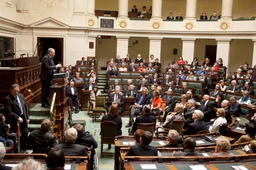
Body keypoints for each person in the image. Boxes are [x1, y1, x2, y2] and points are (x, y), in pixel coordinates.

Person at [4, 84, 29, 153]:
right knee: (15, 136)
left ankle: (23, 149)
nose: (16, 93)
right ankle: (17, 150)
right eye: (15, 91)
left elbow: (25, 107)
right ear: (11, 90)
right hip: (14, 120)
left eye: (18, 91)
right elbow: (9, 112)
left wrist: (27, 117)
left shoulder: (21, 96)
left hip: (23, 118)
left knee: (25, 133)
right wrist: (17, 117)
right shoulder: (7, 99)